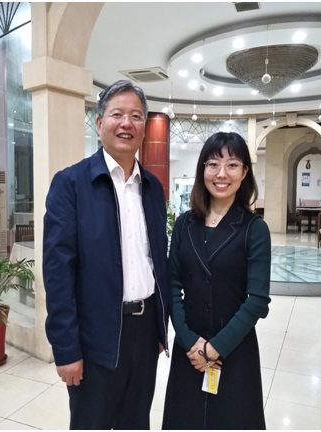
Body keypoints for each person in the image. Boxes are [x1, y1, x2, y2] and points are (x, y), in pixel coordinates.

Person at [43, 79, 170, 430]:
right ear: (99, 124)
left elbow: (158, 261)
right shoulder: (71, 184)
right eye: (117, 114)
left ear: (144, 126)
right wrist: (66, 349)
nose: (126, 123)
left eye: (136, 116)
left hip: (145, 334)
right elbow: (58, 273)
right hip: (95, 336)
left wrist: (161, 326)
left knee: (136, 423)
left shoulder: (152, 187)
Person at [162, 132, 271, 430]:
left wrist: (214, 349)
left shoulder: (254, 229)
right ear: (203, 170)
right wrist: (191, 342)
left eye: (232, 165)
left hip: (234, 348)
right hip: (189, 348)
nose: (221, 174)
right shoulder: (185, 223)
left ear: (244, 172)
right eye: (213, 164)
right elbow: (172, 286)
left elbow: (257, 301)